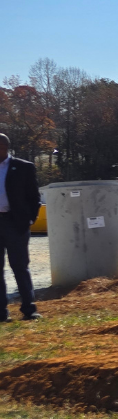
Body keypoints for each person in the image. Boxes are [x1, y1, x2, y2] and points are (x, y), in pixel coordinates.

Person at [0, 134, 41, 323]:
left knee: (20, 267)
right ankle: (1, 313)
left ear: (5, 147)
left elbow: (34, 196)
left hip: (14, 223)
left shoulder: (23, 167)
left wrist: (29, 219)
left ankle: (29, 310)